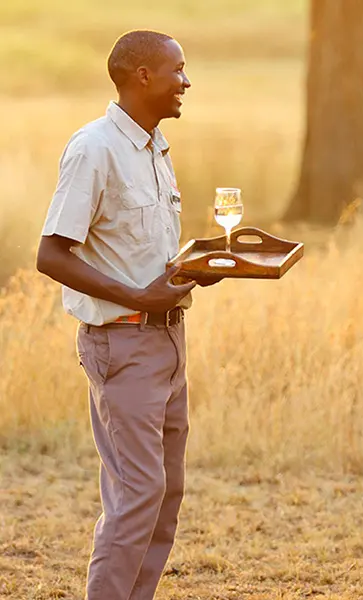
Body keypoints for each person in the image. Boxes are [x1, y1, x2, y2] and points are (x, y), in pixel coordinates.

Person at [36, 30, 213, 600]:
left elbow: (143, 255)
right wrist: (139, 299)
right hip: (123, 340)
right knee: (138, 492)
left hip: (167, 341)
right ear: (142, 76)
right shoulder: (95, 148)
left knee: (165, 493)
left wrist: (197, 267)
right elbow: (51, 254)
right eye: (177, 70)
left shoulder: (154, 147)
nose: (186, 81)